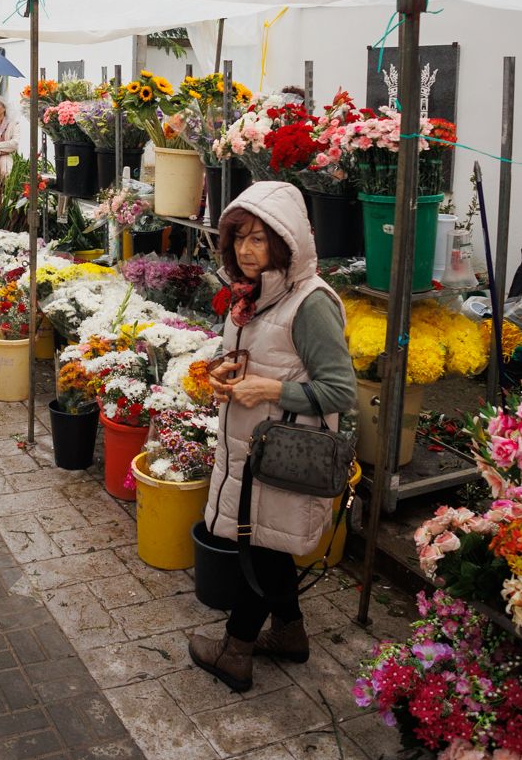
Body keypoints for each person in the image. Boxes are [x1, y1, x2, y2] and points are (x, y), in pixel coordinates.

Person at [188, 180, 356, 694]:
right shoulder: (252, 297)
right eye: (239, 237)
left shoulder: (310, 303)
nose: (246, 249)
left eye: (260, 238)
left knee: (260, 550)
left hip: (285, 452)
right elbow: (257, 362)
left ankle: (236, 650)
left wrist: (270, 390)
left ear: (287, 243)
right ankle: (290, 633)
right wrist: (224, 377)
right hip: (254, 447)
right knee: (269, 543)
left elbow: (339, 390)